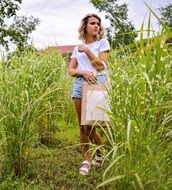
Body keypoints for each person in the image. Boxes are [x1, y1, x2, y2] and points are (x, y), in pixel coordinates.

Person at [68, 13, 110, 175]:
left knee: (91, 126)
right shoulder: (76, 48)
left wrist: (87, 50)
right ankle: (86, 160)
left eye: (98, 24)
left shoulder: (102, 43)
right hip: (79, 85)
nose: (96, 26)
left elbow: (101, 66)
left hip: (96, 85)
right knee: (82, 126)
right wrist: (83, 72)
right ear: (85, 27)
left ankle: (99, 154)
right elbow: (71, 71)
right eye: (92, 23)